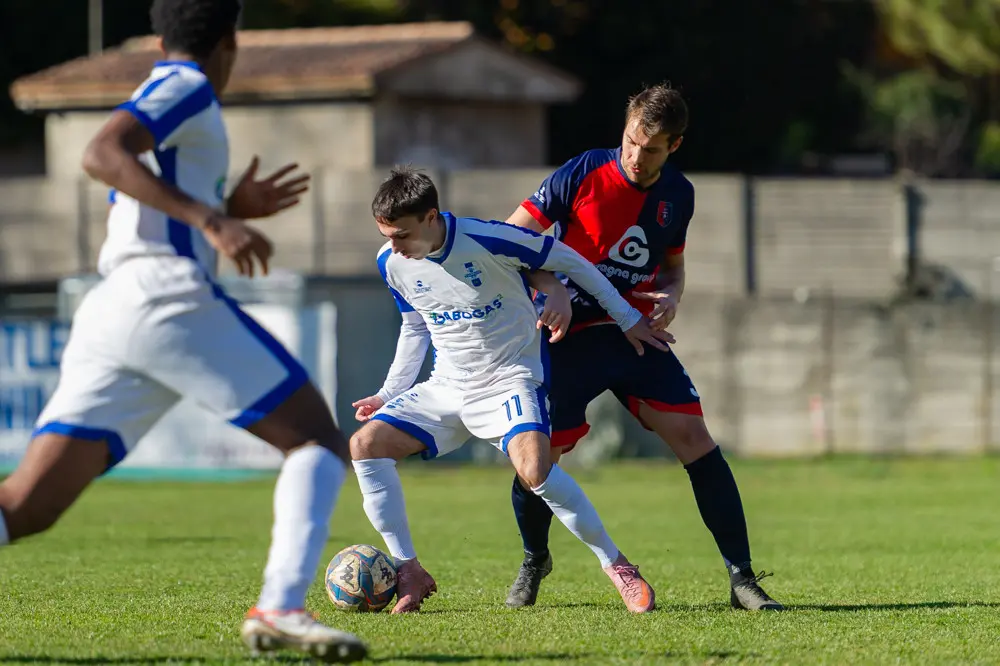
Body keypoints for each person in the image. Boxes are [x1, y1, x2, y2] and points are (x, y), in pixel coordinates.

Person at [0, 1, 367, 662]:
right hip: (161, 295)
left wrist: (227, 204)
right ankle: (281, 606)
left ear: (157, 37)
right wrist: (212, 219)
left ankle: (282, 608)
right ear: (231, 41)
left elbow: (140, 180)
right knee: (315, 440)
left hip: (115, 310)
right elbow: (101, 152)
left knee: (24, 507)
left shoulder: (169, 84)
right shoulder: (188, 83)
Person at [504, 83, 783, 611]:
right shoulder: (581, 172)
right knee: (538, 460)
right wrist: (551, 287)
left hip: (633, 333)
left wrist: (672, 295)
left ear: (674, 146)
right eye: (631, 141)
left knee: (695, 438)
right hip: (566, 336)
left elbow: (673, 267)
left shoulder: (678, 195)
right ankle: (534, 558)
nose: (635, 156)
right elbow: (510, 240)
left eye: (650, 148)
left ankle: (742, 579)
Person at [349, 167, 672, 614]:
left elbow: (573, 262)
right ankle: (409, 569)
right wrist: (388, 394)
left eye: (402, 235)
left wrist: (626, 317)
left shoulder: (489, 239)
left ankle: (616, 564)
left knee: (536, 470)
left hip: (509, 378)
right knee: (365, 445)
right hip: (447, 385)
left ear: (431, 217)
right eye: (387, 236)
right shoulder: (391, 261)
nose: (395, 246)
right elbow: (414, 326)